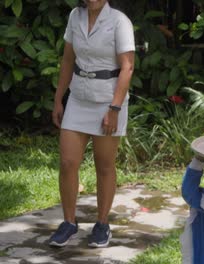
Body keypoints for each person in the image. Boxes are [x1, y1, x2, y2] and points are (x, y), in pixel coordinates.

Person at [48, 0, 135, 248]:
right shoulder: (75, 16)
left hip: (108, 100)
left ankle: (102, 224)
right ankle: (68, 223)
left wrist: (115, 108)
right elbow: (67, 61)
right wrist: (58, 100)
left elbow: (127, 66)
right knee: (67, 163)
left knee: (104, 165)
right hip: (78, 97)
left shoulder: (120, 21)